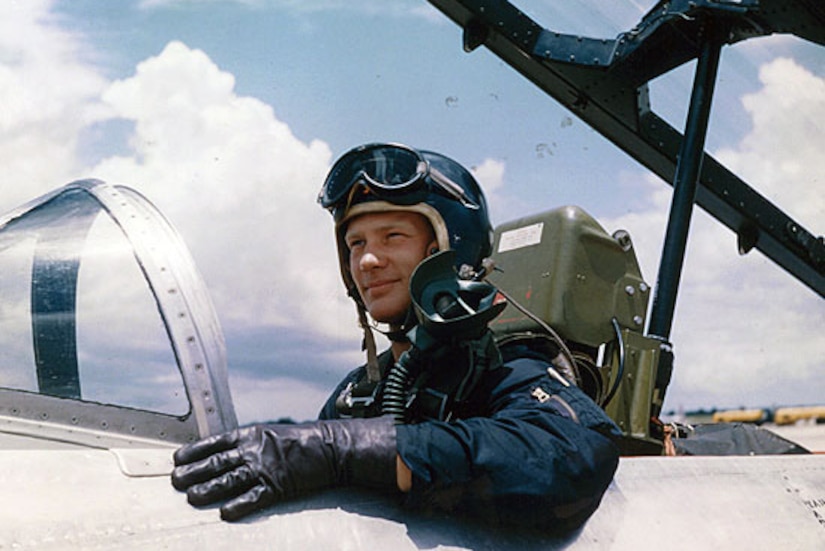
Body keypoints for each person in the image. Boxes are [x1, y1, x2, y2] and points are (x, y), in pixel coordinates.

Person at [171, 143, 621, 530]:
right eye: (356, 244)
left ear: (448, 251)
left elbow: (571, 456)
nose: (368, 261)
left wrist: (344, 451)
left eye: (392, 236)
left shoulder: (509, 368)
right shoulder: (358, 392)